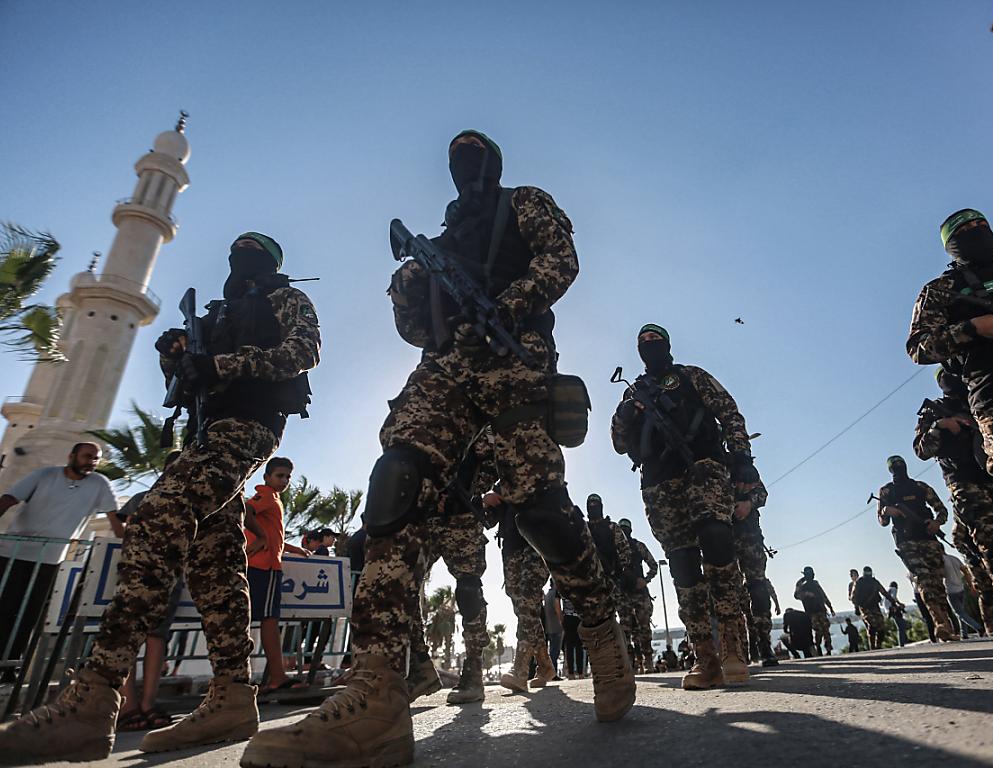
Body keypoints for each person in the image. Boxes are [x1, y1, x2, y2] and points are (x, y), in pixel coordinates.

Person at [243, 132, 634, 768]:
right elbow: (414, 330)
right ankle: (376, 689)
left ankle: (599, 622)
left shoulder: (524, 203)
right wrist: (411, 282)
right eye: (457, 160)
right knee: (396, 480)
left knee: (539, 509)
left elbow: (561, 261)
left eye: (475, 157)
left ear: (494, 165)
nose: (466, 168)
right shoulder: (440, 242)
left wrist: (506, 303)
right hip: (448, 366)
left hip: (514, 355)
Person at [0, 232, 321, 763]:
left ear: (268, 264)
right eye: (236, 253)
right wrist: (178, 358)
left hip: (247, 426)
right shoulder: (217, 316)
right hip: (203, 434)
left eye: (251, 254)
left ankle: (93, 697)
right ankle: (233, 695)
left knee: (157, 517)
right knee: (215, 565)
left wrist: (221, 365)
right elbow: (188, 386)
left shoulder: (285, 298)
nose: (240, 260)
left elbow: (302, 353)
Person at [611, 323, 758, 690]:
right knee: (682, 564)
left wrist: (742, 456)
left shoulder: (692, 376)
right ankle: (705, 657)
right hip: (659, 484)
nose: (649, 344)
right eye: (643, 341)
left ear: (667, 343)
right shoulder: (633, 393)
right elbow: (618, 443)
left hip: (704, 467)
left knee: (717, 539)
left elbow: (729, 411)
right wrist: (625, 415)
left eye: (655, 338)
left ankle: (733, 647)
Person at [906, 209, 993, 600]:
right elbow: (919, 347)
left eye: (982, 225)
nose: (978, 232)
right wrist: (974, 328)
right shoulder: (942, 289)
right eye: (966, 230)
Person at [913, 366, 993, 636]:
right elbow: (921, 450)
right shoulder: (933, 411)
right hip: (962, 481)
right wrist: (940, 426)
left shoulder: (978, 398)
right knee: (991, 541)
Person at [0, 442, 118, 682]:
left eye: (95, 458)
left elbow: (114, 518)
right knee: (4, 609)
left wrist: (126, 546)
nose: (91, 462)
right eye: (87, 456)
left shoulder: (99, 484)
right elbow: (9, 499)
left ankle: (10, 668)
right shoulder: (45, 475)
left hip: (50, 560)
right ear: (71, 455)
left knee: (30, 615)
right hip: (13, 553)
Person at [407, 451, 491, 705]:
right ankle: (420, 667)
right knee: (401, 584)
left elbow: (494, 460)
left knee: (468, 591)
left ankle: (473, 672)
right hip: (424, 515)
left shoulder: (477, 428)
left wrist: (464, 491)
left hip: (461, 515)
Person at [115, 451, 183, 733]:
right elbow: (127, 527)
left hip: (172, 575)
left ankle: (147, 702)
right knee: (129, 636)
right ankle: (127, 704)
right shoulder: (142, 498)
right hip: (139, 571)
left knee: (157, 637)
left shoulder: (189, 504)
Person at [244, 457, 312, 694]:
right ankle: (277, 676)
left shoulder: (271, 498)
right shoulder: (267, 496)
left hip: (262, 566)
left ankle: (272, 676)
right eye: (279, 476)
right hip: (265, 567)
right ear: (267, 477)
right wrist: (261, 538)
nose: (284, 480)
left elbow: (276, 537)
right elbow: (246, 511)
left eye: (288, 477)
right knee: (270, 621)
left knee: (264, 620)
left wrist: (296, 549)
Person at [875, 456, 958, 641]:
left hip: (928, 538)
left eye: (900, 465)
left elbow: (941, 510)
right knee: (924, 579)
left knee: (937, 582)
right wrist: (886, 511)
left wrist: (936, 523)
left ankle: (947, 626)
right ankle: (940, 623)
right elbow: (882, 521)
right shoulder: (886, 491)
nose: (898, 470)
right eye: (894, 467)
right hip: (906, 541)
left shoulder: (920, 487)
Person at [486, 486, 556, 692]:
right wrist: (485, 500)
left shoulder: (532, 469)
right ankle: (545, 665)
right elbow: (489, 520)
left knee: (527, 601)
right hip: (511, 548)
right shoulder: (502, 479)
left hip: (537, 541)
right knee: (524, 610)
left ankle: (520, 670)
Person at [734, 481, 779, 667]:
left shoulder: (739, 467)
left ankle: (764, 645)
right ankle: (737, 650)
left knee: (758, 591)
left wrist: (749, 503)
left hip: (749, 539)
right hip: (721, 540)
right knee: (727, 595)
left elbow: (762, 493)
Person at [585, 495, 634, 659]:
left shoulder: (612, 527)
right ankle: (608, 659)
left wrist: (619, 571)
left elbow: (625, 551)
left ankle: (627, 657)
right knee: (600, 622)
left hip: (614, 579)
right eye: (591, 505)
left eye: (596, 504)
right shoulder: (584, 529)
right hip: (593, 584)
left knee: (624, 621)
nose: (593, 507)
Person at [617, 518, 659, 672]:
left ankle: (647, 660)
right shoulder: (614, 549)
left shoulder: (638, 546)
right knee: (625, 630)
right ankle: (631, 662)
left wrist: (645, 580)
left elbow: (653, 565)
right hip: (623, 593)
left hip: (639, 593)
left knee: (643, 627)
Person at [955, 523, 993, 636]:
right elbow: (957, 542)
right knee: (986, 592)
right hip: (977, 563)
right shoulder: (961, 523)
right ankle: (989, 624)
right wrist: (971, 555)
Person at [851, 566, 900, 649]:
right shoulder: (859, 582)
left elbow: (883, 592)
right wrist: (857, 607)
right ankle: (873, 647)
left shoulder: (874, 582)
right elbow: (853, 596)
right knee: (872, 625)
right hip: (865, 607)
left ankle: (878, 646)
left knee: (881, 627)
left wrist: (892, 601)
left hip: (875, 606)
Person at [794, 567, 835, 655]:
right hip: (812, 612)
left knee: (826, 630)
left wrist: (830, 607)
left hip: (821, 610)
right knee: (818, 630)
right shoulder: (803, 587)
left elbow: (823, 596)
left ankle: (828, 649)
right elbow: (796, 595)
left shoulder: (816, 584)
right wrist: (806, 592)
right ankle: (818, 646)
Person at [943, 550, 982, 639]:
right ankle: (964, 633)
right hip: (961, 588)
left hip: (950, 589)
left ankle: (978, 627)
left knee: (959, 613)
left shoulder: (941, 560)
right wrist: (970, 585)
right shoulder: (954, 558)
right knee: (962, 612)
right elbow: (965, 571)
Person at [561, 595, 585, 679]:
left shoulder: (561, 588)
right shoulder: (579, 586)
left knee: (569, 646)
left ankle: (571, 673)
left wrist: (561, 618)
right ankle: (580, 672)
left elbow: (556, 603)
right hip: (578, 617)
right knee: (579, 646)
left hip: (567, 617)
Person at [543, 580, 564, 679]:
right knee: (555, 652)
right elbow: (557, 608)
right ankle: (553, 673)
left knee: (552, 650)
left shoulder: (547, 594)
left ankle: (551, 672)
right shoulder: (555, 594)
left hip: (549, 627)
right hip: (556, 626)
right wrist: (562, 621)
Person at [886, 582, 910, 647]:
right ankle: (902, 642)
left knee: (901, 624)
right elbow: (893, 599)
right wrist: (898, 607)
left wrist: (900, 604)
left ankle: (904, 640)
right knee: (901, 626)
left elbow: (895, 599)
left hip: (888, 610)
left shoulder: (887, 591)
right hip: (892, 609)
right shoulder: (894, 589)